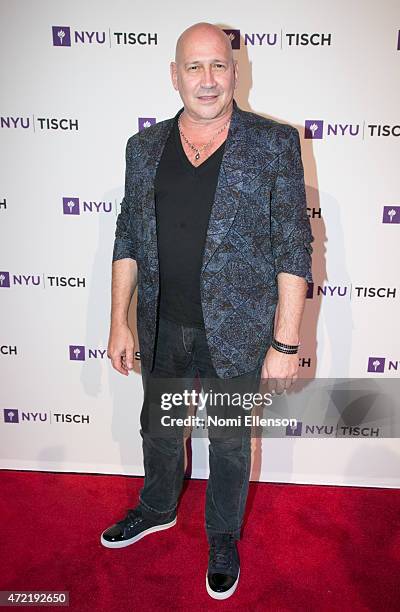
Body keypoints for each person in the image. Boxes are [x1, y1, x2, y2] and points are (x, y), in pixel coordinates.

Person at [101, 22, 314, 601]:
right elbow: (128, 238)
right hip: (162, 321)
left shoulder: (273, 144)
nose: (207, 79)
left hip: (240, 333)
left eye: (218, 65)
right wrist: (120, 320)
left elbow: (294, 244)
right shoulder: (142, 148)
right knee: (161, 429)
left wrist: (286, 343)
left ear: (234, 71)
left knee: (227, 438)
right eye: (193, 67)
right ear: (174, 76)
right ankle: (159, 505)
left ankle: (222, 535)